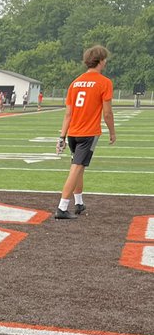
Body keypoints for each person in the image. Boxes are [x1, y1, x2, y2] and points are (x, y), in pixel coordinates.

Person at [54, 45, 115, 220]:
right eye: (105, 60)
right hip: (89, 132)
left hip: (73, 132)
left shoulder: (75, 82)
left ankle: (78, 202)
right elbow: (108, 113)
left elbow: (68, 113)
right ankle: (62, 207)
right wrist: (112, 132)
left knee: (78, 166)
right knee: (77, 167)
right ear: (101, 61)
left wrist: (62, 137)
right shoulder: (104, 82)